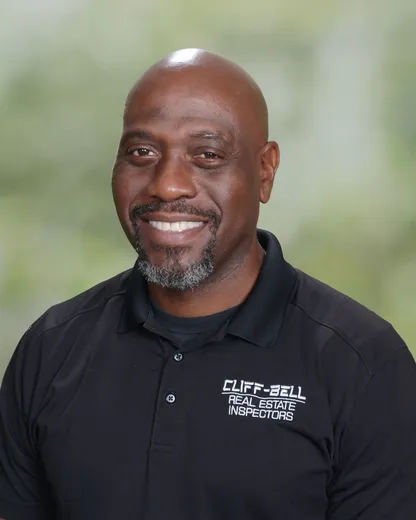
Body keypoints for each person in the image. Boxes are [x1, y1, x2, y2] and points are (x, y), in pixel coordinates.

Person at [0, 48, 415, 520]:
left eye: (208, 155)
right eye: (142, 152)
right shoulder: (51, 350)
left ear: (265, 171)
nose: (168, 185)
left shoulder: (363, 366)